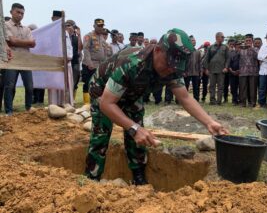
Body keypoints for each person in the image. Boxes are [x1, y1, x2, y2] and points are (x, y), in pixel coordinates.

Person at [85, 28, 229, 185]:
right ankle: (92, 178)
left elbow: (185, 97)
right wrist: (132, 128)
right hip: (102, 91)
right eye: (169, 64)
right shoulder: (132, 62)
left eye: (175, 67)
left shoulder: (172, 68)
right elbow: (107, 103)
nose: (171, 70)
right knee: (102, 134)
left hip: (132, 94)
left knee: (139, 136)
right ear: (158, 50)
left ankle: (138, 175)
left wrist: (209, 122)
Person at [4, 3, 36, 115]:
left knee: (30, 86)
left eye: (22, 13)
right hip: (11, 60)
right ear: (11, 12)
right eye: (18, 12)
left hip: (26, 61)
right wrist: (25, 43)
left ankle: (28, 108)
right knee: (10, 86)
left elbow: (33, 44)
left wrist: (16, 42)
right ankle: (9, 111)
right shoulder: (5, 25)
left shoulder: (27, 29)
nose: (20, 15)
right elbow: (11, 41)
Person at [82, 19, 113, 105]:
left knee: (98, 84)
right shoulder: (88, 36)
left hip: (100, 65)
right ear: (94, 26)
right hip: (90, 64)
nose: (101, 28)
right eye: (99, 26)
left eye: (102, 26)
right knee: (88, 83)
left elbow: (105, 51)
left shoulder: (102, 37)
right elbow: (86, 49)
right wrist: (89, 63)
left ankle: (95, 101)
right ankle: (87, 103)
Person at [48, 10, 74, 106]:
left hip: (66, 64)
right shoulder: (49, 31)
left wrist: (68, 58)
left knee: (66, 85)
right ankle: (54, 106)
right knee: (54, 86)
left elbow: (69, 48)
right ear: (52, 18)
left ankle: (66, 105)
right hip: (54, 64)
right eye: (57, 19)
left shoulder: (65, 33)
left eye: (61, 19)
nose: (59, 21)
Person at [203, 32, 230, 105]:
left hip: (221, 70)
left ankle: (219, 101)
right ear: (217, 37)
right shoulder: (210, 47)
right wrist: (206, 69)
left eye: (223, 37)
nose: (223, 38)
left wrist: (226, 67)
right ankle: (212, 101)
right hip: (211, 70)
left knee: (221, 86)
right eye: (222, 37)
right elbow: (206, 59)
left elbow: (228, 59)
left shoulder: (225, 47)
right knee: (212, 86)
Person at [239, 34, 259, 107]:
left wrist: (251, 48)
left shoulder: (256, 49)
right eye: (246, 40)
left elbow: (258, 57)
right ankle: (243, 103)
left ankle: (252, 103)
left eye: (249, 41)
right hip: (242, 71)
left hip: (253, 72)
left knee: (253, 89)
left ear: (252, 41)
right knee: (242, 88)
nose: (248, 42)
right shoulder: (241, 49)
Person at [65, 20, 83, 101]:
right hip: (65, 62)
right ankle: (64, 99)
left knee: (74, 82)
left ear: (74, 27)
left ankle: (71, 100)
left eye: (69, 25)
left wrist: (79, 35)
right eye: (66, 25)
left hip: (75, 62)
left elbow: (80, 49)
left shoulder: (76, 38)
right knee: (65, 82)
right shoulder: (63, 37)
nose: (67, 27)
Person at [184, 35, 202, 101]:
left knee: (196, 87)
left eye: (195, 41)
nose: (194, 42)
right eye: (192, 41)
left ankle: (196, 100)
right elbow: (183, 62)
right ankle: (184, 100)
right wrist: (183, 71)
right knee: (185, 87)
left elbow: (199, 63)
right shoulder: (185, 51)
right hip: (187, 72)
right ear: (189, 42)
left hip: (195, 72)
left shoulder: (197, 52)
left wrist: (200, 72)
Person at [228, 41, 241, 105]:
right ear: (235, 46)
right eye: (237, 45)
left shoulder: (243, 53)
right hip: (232, 73)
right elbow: (228, 63)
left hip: (241, 73)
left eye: (239, 45)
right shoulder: (231, 53)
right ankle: (234, 100)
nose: (238, 46)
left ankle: (241, 100)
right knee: (233, 88)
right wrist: (232, 71)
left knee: (242, 88)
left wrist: (240, 71)